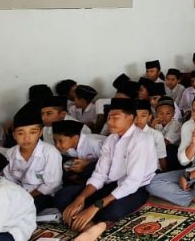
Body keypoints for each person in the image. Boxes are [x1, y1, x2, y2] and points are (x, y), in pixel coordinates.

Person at [55, 98, 156, 241]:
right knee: (63, 196)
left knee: (113, 211)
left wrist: (96, 206)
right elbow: (99, 174)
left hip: (138, 187)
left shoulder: (141, 140)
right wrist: (80, 198)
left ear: (130, 118)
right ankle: (89, 227)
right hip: (112, 184)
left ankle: (91, 222)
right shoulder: (110, 140)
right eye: (108, 117)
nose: (109, 122)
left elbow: (132, 182)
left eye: (115, 118)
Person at [3, 107, 62, 212]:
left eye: (32, 132)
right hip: (19, 192)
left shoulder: (50, 153)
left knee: (22, 210)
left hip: (43, 194)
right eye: (20, 133)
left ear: (40, 133)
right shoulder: (10, 153)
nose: (26, 138)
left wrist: (26, 196)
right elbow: (9, 180)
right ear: (14, 135)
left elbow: (52, 184)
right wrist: (16, 195)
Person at [51, 120, 103, 186]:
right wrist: (67, 165)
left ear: (75, 138)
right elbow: (75, 157)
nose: (57, 145)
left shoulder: (95, 144)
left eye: (60, 141)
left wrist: (87, 163)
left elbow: (108, 161)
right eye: (55, 141)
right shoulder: (70, 147)